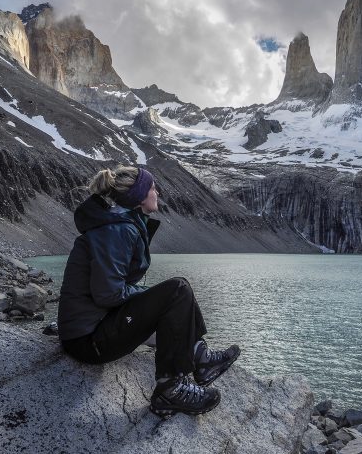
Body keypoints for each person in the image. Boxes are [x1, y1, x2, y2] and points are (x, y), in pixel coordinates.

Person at [57, 165, 239, 418]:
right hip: (87, 342)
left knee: (172, 297)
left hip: (94, 328)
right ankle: (170, 388)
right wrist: (149, 296)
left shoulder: (121, 224)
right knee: (177, 290)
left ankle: (200, 357)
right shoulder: (117, 230)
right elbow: (108, 294)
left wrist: (149, 299)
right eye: (153, 188)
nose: (157, 193)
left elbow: (110, 292)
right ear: (140, 196)